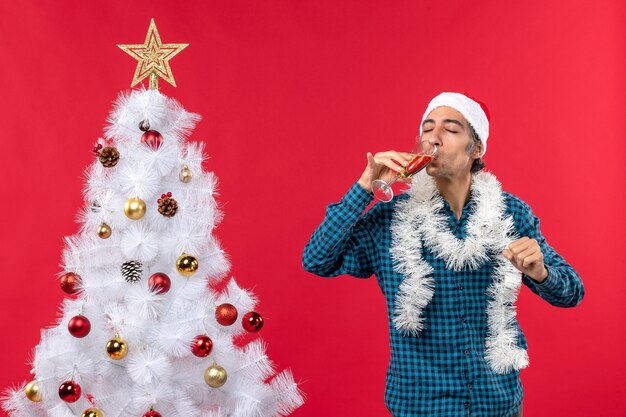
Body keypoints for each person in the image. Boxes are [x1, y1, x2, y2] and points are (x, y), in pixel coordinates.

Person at [302, 92, 584, 417]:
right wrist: (365, 186)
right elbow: (317, 259)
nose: (433, 138)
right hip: (420, 406)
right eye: (427, 128)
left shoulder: (511, 214)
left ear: (476, 148)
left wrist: (540, 271)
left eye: (450, 130)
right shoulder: (390, 220)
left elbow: (571, 293)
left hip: (497, 405)